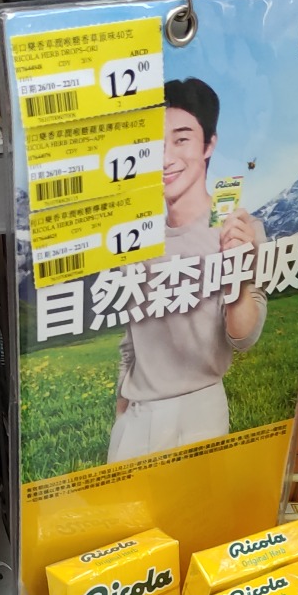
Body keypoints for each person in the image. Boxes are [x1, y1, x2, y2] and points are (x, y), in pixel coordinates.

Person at [107, 76, 267, 463]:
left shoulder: (238, 230)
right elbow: (131, 336)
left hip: (198, 412)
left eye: (181, 140)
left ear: (208, 145)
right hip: (134, 417)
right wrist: (121, 407)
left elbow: (244, 337)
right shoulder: (139, 237)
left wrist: (236, 274)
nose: (165, 158)